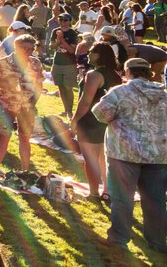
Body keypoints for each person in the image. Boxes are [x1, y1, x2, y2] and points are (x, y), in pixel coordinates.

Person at [91, 57, 167, 252]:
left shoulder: (121, 92)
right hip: (158, 155)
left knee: (122, 199)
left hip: (124, 154)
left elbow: (100, 114)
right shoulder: (163, 94)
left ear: (128, 72)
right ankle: (157, 242)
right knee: (155, 201)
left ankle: (119, 239)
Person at [71, 42, 120, 202]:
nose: (88, 53)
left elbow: (85, 101)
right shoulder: (115, 75)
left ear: (100, 55)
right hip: (108, 121)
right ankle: (107, 190)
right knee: (103, 158)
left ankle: (93, 192)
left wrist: (75, 120)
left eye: (92, 51)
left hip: (90, 121)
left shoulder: (94, 75)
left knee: (91, 160)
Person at [0, 34, 43, 172]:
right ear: (16, 47)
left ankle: (26, 171)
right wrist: (8, 84)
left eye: (31, 49)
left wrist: (33, 102)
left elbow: (39, 85)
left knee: (25, 138)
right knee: (4, 136)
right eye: (25, 48)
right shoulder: (3, 62)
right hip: (7, 105)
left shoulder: (35, 63)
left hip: (27, 107)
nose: (28, 52)